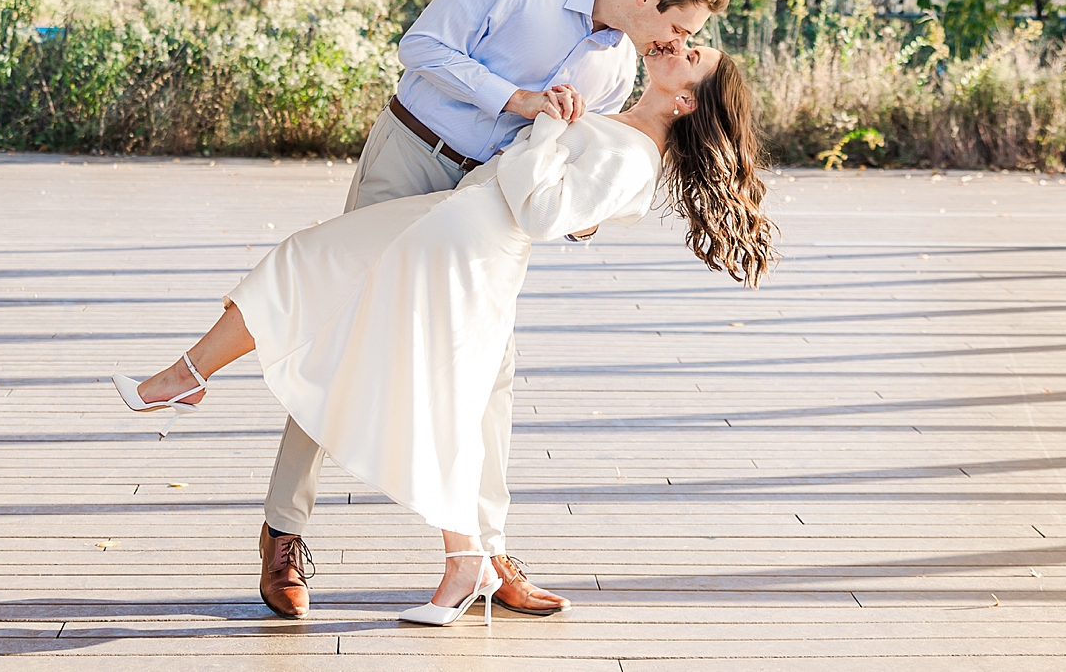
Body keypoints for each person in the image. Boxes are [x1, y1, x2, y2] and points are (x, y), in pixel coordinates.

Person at [114, 39, 775, 626]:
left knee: (441, 396)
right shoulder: (623, 120)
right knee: (306, 263)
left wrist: (547, 125)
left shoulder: (634, 154)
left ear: (687, 100)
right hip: (454, 218)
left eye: (693, 56)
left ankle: (468, 563)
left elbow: (543, 210)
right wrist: (554, 126)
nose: (680, 46)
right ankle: (186, 376)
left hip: (470, 242)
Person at [233, 0, 733, 619]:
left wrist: (583, 213)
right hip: (414, 151)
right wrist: (518, 97)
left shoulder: (618, 68)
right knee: (339, 331)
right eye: (677, 27)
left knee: (491, 373)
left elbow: (576, 164)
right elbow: (422, 48)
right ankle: (283, 531)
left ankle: (486, 553)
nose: (673, 44)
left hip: (488, 209)